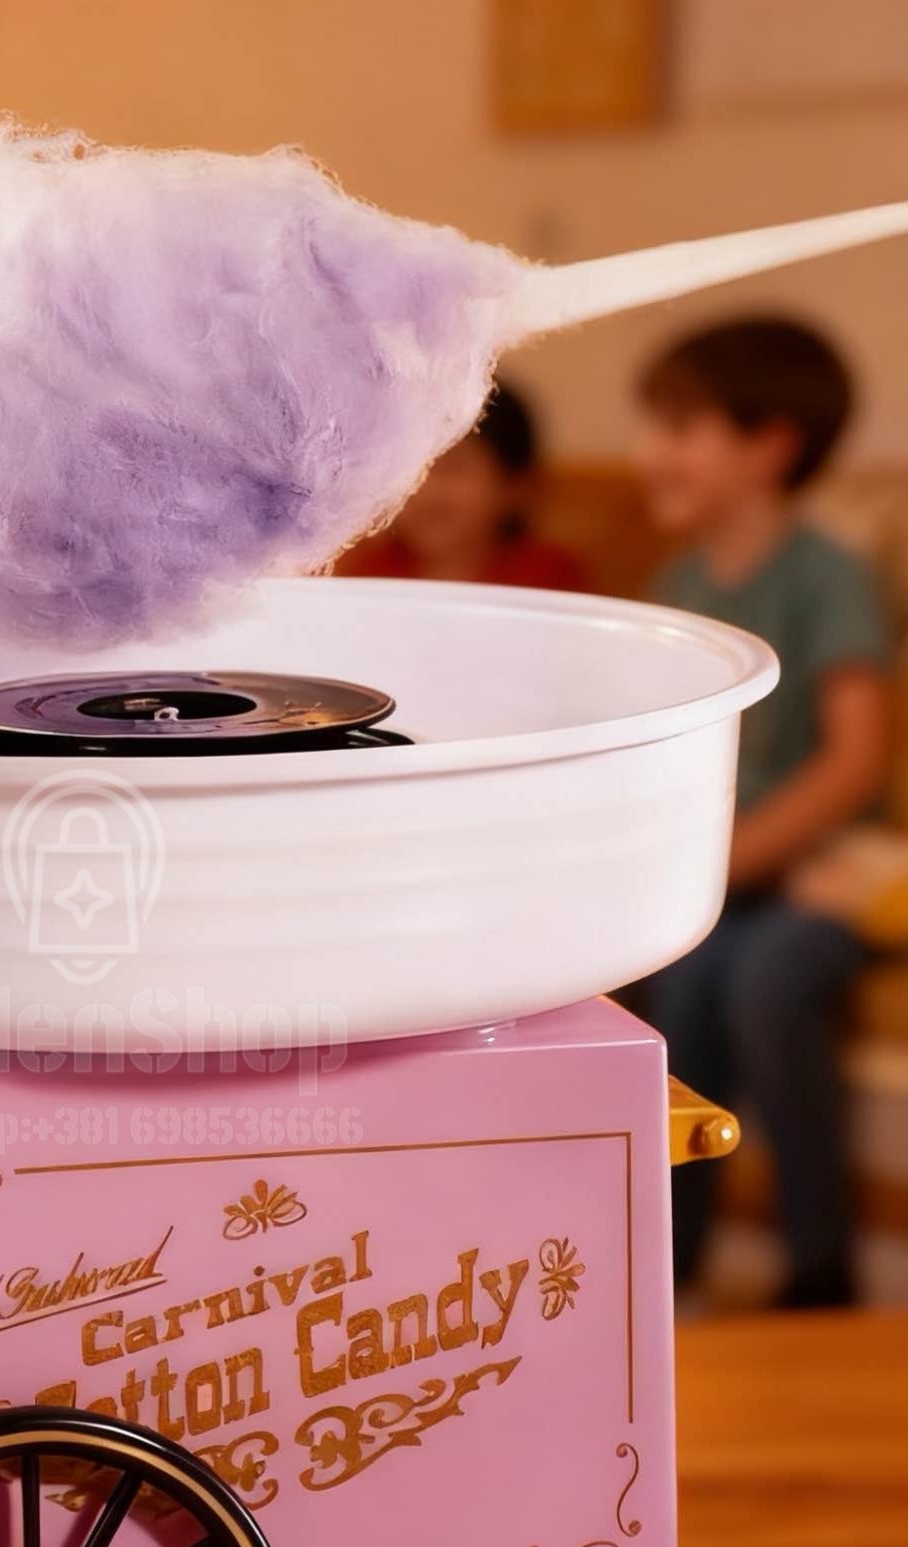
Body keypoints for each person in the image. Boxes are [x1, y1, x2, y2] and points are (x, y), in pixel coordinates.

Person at [634, 318, 896, 1308]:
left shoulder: (824, 577)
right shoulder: (678, 589)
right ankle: (672, 1268)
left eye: (680, 427)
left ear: (770, 444)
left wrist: (728, 860)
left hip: (826, 877)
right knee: (684, 986)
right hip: (725, 886)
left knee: (764, 981)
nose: (652, 452)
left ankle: (820, 1271)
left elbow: (854, 760)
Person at [343, 383, 587, 589]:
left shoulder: (547, 578)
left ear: (516, 485)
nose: (426, 489)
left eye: (454, 466)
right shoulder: (369, 573)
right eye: (412, 468)